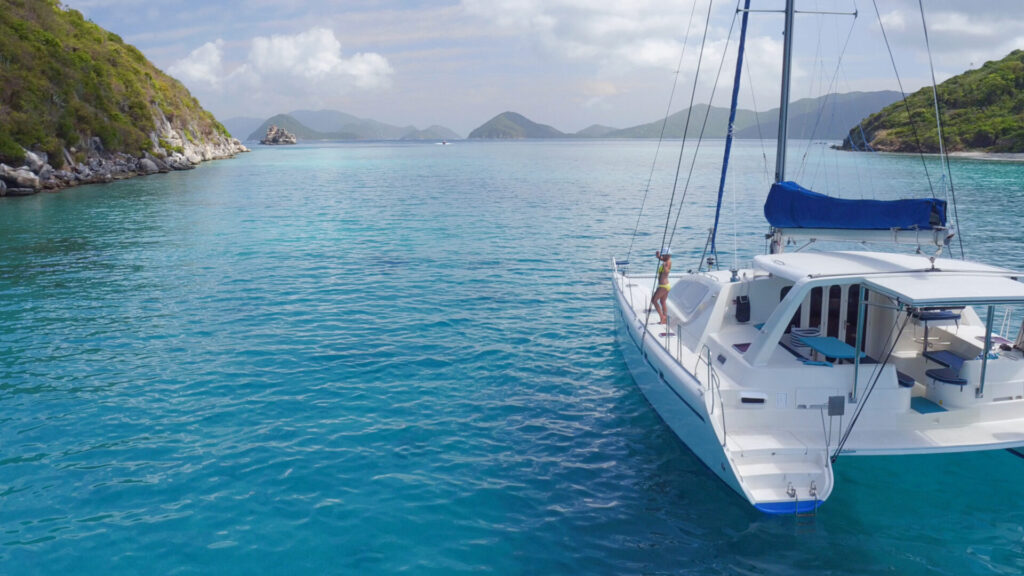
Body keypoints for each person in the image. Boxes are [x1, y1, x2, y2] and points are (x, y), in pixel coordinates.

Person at [652, 249, 672, 324]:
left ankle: (662, 317)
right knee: (662, 301)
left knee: (654, 300)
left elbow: (667, 271)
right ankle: (665, 318)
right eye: (662, 255)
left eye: (664, 255)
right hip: (666, 285)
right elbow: (663, 259)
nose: (663, 256)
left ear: (668, 255)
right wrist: (658, 256)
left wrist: (665, 267)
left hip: (663, 286)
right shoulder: (666, 260)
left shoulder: (668, 262)